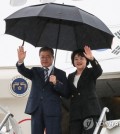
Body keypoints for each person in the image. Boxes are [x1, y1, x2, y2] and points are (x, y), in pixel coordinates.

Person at [16, 46, 68, 134]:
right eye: (42, 57)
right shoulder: (35, 71)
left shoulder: (61, 73)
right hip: (36, 109)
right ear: (39, 57)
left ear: (53, 57)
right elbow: (23, 70)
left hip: (53, 111)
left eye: (47, 56)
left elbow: (66, 92)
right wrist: (20, 61)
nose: (44, 59)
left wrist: (56, 83)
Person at [68, 45, 103, 134]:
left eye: (81, 58)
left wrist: (92, 58)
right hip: (75, 114)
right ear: (73, 61)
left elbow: (99, 71)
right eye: (76, 59)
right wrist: (56, 83)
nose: (78, 61)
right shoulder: (70, 76)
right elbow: (67, 92)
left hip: (89, 111)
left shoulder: (91, 72)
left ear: (86, 60)